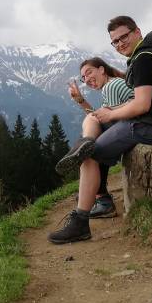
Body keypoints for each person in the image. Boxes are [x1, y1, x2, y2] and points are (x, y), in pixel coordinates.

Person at [49, 16, 152, 244]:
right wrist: (100, 109)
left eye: (124, 37)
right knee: (94, 122)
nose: (120, 43)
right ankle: (86, 143)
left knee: (90, 156)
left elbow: (142, 105)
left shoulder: (144, 58)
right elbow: (139, 102)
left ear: (137, 32)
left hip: (151, 125)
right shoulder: (145, 56)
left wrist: (110, 113)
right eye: (115, 41)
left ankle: (80, 223)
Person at [59, 57, 132, 217]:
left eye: (89, 72)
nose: (86, 79)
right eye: (83, 77)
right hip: (130, 126)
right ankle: (85, 145)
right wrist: (80, 100)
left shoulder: (111, 86)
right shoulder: (113, 84)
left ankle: (102, 200)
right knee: (91, 139)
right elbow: (102, 116)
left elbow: (107, 118)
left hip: (132, 128)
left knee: (92, 148)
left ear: (102, 69)